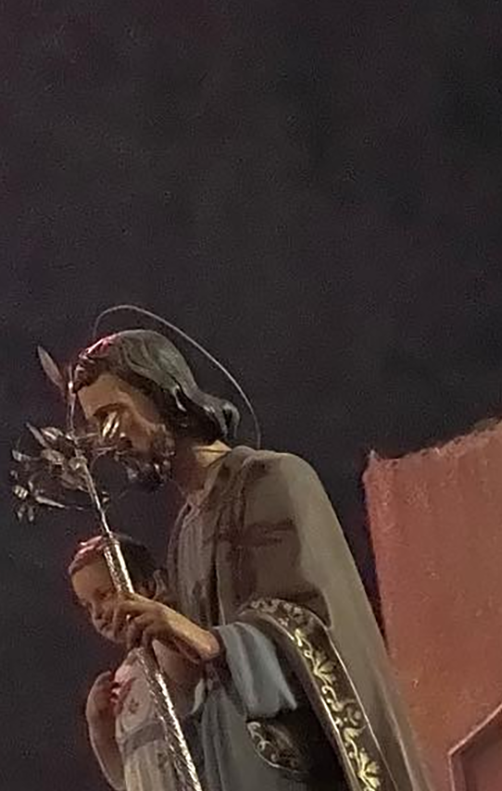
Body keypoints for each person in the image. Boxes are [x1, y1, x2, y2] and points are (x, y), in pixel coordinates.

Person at [68, 330, 431, 791]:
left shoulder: (272, 479)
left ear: (161, 394)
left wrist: (200, 637)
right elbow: (198, 684)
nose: (108, 439)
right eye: (96, 426)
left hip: (296, 764)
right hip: (229, 762)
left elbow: (314, 632)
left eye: (112, 414)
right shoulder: (185, 531)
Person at [70, 534, 190, 791]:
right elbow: (123, 776)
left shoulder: (169, 646)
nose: (97, 613)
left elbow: (187, 676)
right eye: (87, 606)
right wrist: (99, 727)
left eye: (105, 594)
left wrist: (160, 621)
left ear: (146, 585)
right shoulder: (124, 677)